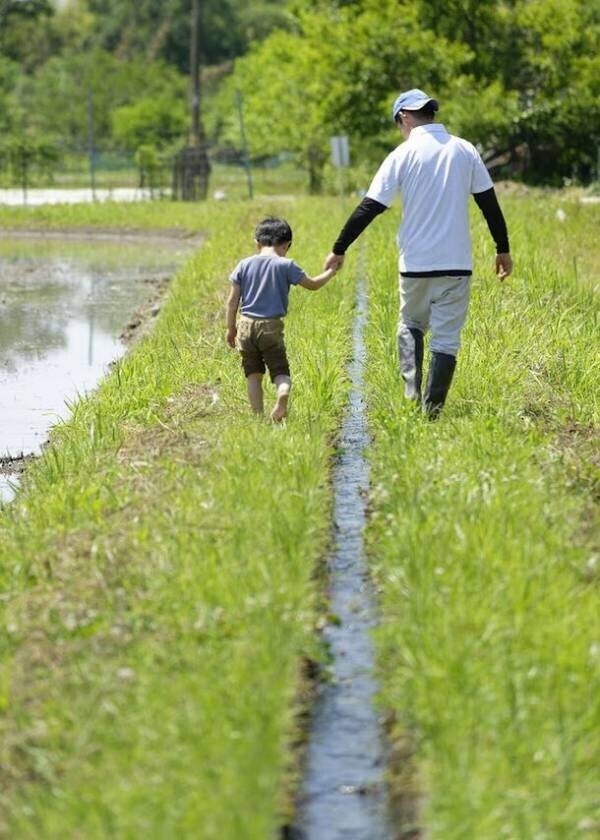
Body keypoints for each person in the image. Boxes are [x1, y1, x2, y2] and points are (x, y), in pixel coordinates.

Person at [324, 88, 513, 418]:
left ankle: (411, 394)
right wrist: (503, 249)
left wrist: (339, 249)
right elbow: (489, 204)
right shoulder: (465, 150)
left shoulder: (403, 154)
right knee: (447, 339)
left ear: (404, 118)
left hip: (415, 264)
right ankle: (432, 413)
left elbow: (370, 207)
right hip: (457, 264)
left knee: (410, 323)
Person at [226, 217, 338, 421]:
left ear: (257, 243)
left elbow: (232, 301)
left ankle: (258, 419)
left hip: (245, 325)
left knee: (253, 375)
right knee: (280, 372)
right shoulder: (286, 265)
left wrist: (230, 329)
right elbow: (313, 284)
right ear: (287, 245)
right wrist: (330, 272)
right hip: (270, 327)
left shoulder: (244, 264)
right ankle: (282, 392)